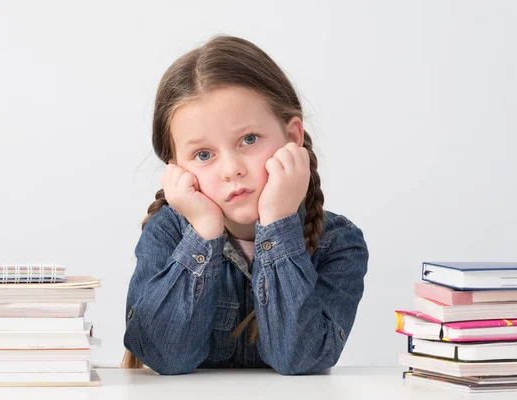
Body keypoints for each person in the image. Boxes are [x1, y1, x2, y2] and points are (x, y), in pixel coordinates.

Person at [121, 34, 369, 375]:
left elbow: (299, 358)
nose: (231, 169)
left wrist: (278, 221)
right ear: (175, 169)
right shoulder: (168, 233)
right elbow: (165, 357)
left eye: (248, 139)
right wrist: (204, 232)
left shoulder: (338, 243)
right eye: (203, 155)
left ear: (293, 137)